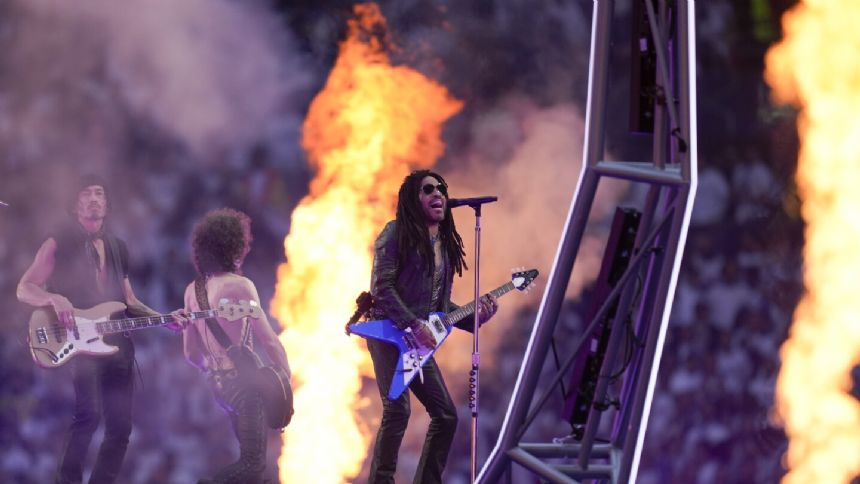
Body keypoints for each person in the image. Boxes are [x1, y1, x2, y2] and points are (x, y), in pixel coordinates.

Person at [17, 174, 159, 484]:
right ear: (74, 203)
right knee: (88, 416)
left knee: (121, 428)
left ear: (107, 204)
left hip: (118, 345)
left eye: (99, 193)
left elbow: (129, 300)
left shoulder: (118, 246)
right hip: (80, 340)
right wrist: (54, 297)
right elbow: (25, 287)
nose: (94, 198)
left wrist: (164, 317)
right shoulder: (60, 241)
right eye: (86, 193)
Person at [367, 169, 499, 484]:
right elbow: (381, 289)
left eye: (441, 188)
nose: (438, 193)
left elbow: (439, 309)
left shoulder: (444, 246)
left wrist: (476, 318)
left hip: (417, 340)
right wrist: (412, 325)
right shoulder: (394, 233)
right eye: (429, 189)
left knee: (447, 416)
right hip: (388, 333)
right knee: (397, 410)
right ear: (414, 199)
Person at [172, 208, 291, 484]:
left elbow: (191, 355)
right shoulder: (240, 286)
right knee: (252, 466)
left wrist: (215, 371)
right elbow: (270, 341)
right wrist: (285, 382)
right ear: (236, 247)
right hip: (245, 388)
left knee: (253, 475)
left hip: (220, 389)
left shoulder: (193, 290)